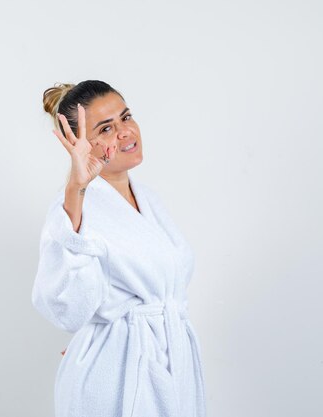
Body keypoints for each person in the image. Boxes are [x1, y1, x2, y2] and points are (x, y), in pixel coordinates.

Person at [31, 80, 207, 417]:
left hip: (170, 362)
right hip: (113, 375)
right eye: (106, 128)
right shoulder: (71, 210)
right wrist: (76, 188)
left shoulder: (150, 201)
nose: (125, 132)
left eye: (126, 117)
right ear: (79, 143)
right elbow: (65, 308)